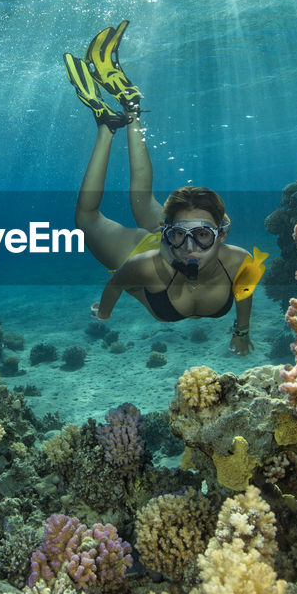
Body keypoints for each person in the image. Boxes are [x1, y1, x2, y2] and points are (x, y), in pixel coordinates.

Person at [64, 21, 257, 356]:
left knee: (138, 201)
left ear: (222, 234)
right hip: (145, 249)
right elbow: (115, 284)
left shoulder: (241, 262)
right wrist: (105, 311)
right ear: (168, 231)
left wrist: (241, 331)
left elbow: (245, 292)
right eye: (181, 235)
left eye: (203, 235)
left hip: (160, 249)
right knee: (87, 217)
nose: (190, 248)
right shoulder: (144, 264)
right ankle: (109, 127)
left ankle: (130, 112)